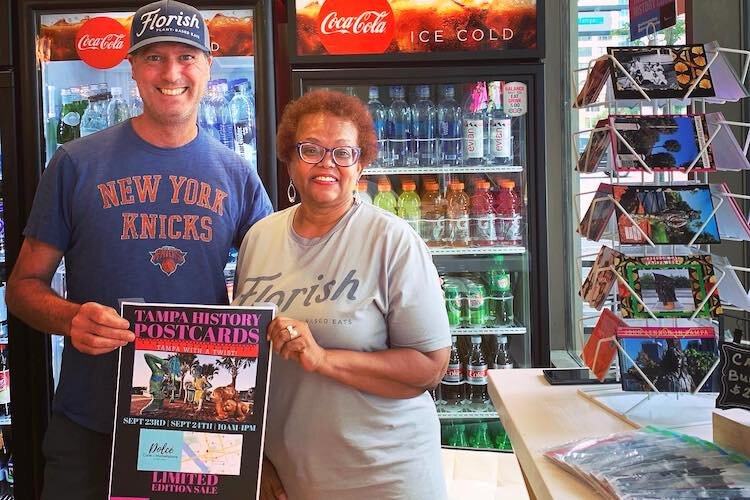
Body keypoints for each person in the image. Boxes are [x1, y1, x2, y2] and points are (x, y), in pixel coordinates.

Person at [5, 1, 272, 498]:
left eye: (186, 57)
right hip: (90, 425)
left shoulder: (237, 174)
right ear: (132, 68)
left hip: (198, 426)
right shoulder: (75, 163)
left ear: (208, 66)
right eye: (154, 57)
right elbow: (22, 287)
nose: (171, 72)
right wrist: (70, 319)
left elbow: (279, 284)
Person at [233, 89, 451, 499]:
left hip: (382, 475)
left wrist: (323, 359)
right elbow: (247, 363)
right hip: (287, 475)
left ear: (361, 163)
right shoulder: (259, 238)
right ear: (290, 158)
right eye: (311, 149)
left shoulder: (393, 241)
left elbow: (429, 368)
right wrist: (253, 458)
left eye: (343, 152)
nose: (326, 164)